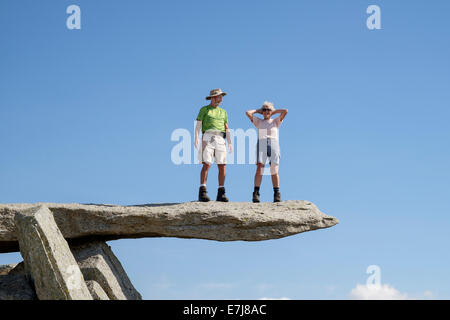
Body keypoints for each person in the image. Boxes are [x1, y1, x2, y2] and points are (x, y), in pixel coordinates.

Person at [195, 89, 233, 202]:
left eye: (221, 97)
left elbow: (226, 127)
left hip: (221, 138)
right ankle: (202, 190)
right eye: (218, 97)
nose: (220, 99)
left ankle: (221, 192)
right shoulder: (204, 109)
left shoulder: (223, 112)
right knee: (207, 163)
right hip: (208, 135)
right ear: (212, 98)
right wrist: (196, 137)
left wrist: (229, 142)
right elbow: (198, 124)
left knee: (222, 165)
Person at [246, 102, 288, 203]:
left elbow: (285, 111)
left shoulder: (275, 121)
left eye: (268, 110)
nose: (266, 112)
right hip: (262, 142)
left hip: (273, 143)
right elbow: (248, 112)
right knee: (260, 168)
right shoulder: (259, 121)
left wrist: (273, 112)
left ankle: (276, 193)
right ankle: (256, 192)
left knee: (274, 169)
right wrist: (258, 111)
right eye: (264, 110)